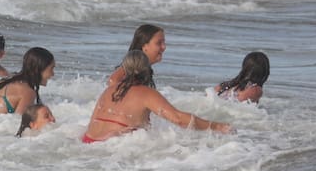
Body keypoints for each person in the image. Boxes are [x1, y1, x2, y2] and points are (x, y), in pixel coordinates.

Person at [83, 51, 232, 143]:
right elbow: (178, 119)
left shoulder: (109, 89)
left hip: (87, 141)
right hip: (112, 146)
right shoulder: (147, 93)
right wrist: (217, 126)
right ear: (147, 70)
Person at [0, 47, 55, 116]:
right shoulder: (27, 92)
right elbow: (18, 123)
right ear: (39, 69)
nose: (53, 74)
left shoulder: (4, 81)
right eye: (51, 68)